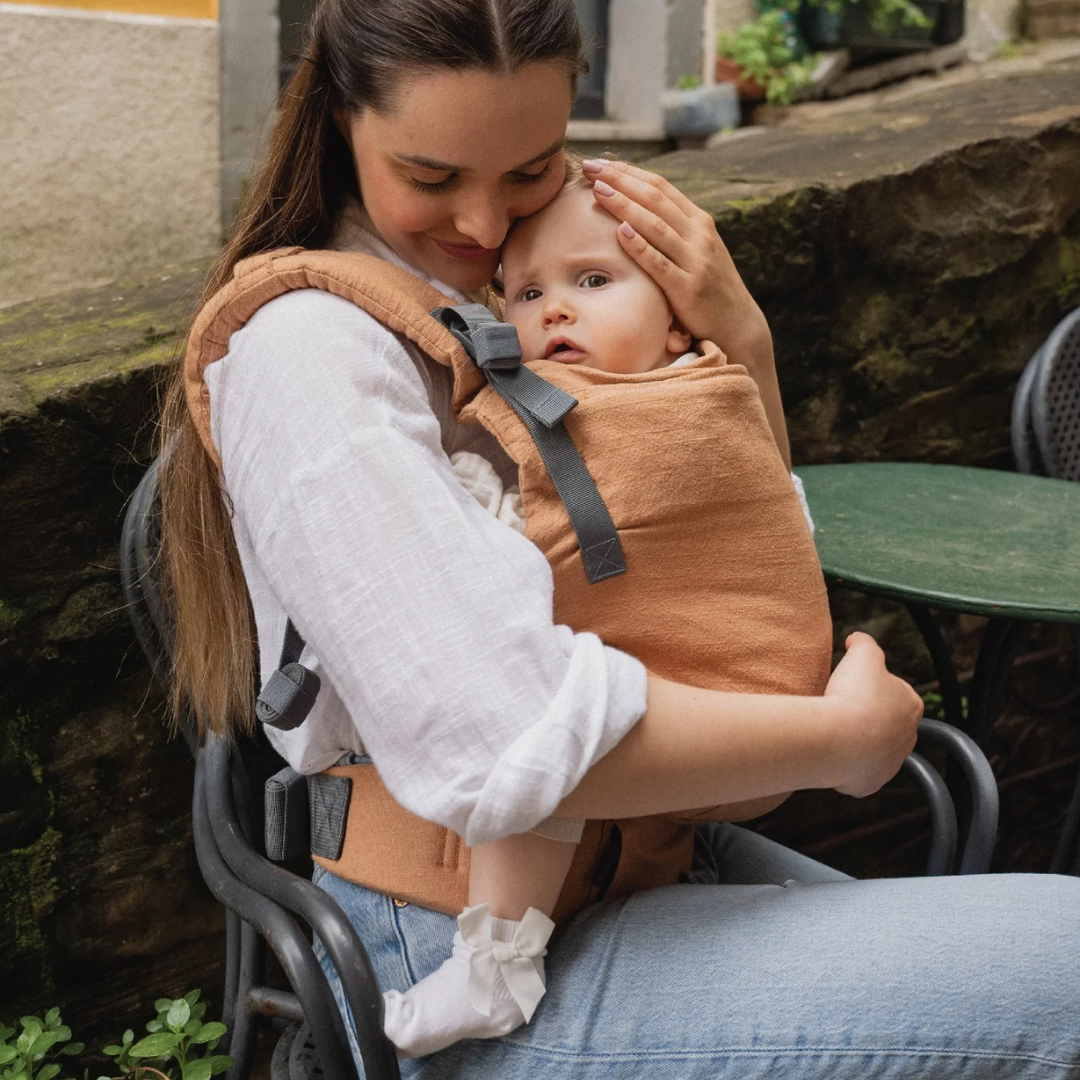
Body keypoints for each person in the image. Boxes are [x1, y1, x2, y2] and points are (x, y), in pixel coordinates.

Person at [159, 1, 1080, 1077]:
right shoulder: (313, 354)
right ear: (337, 120)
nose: (488, 225)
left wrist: (743, 345)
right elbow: (508, 739)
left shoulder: (513, 321)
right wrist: (844, 743)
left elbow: (727, 564)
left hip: (646, 864)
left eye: (530, 167)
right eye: (433, 175)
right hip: (459, 955)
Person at [381, 165, 829, 1058]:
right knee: (549, 746)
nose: (553, 311)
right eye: (528, 291)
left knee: (565, 749)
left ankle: (506, 958)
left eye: (593, 281)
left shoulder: (707, 393)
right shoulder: (532, 416)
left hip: (726, 700)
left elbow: (768, 519)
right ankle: (499, 961)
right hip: (619, 727)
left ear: (676, 323)